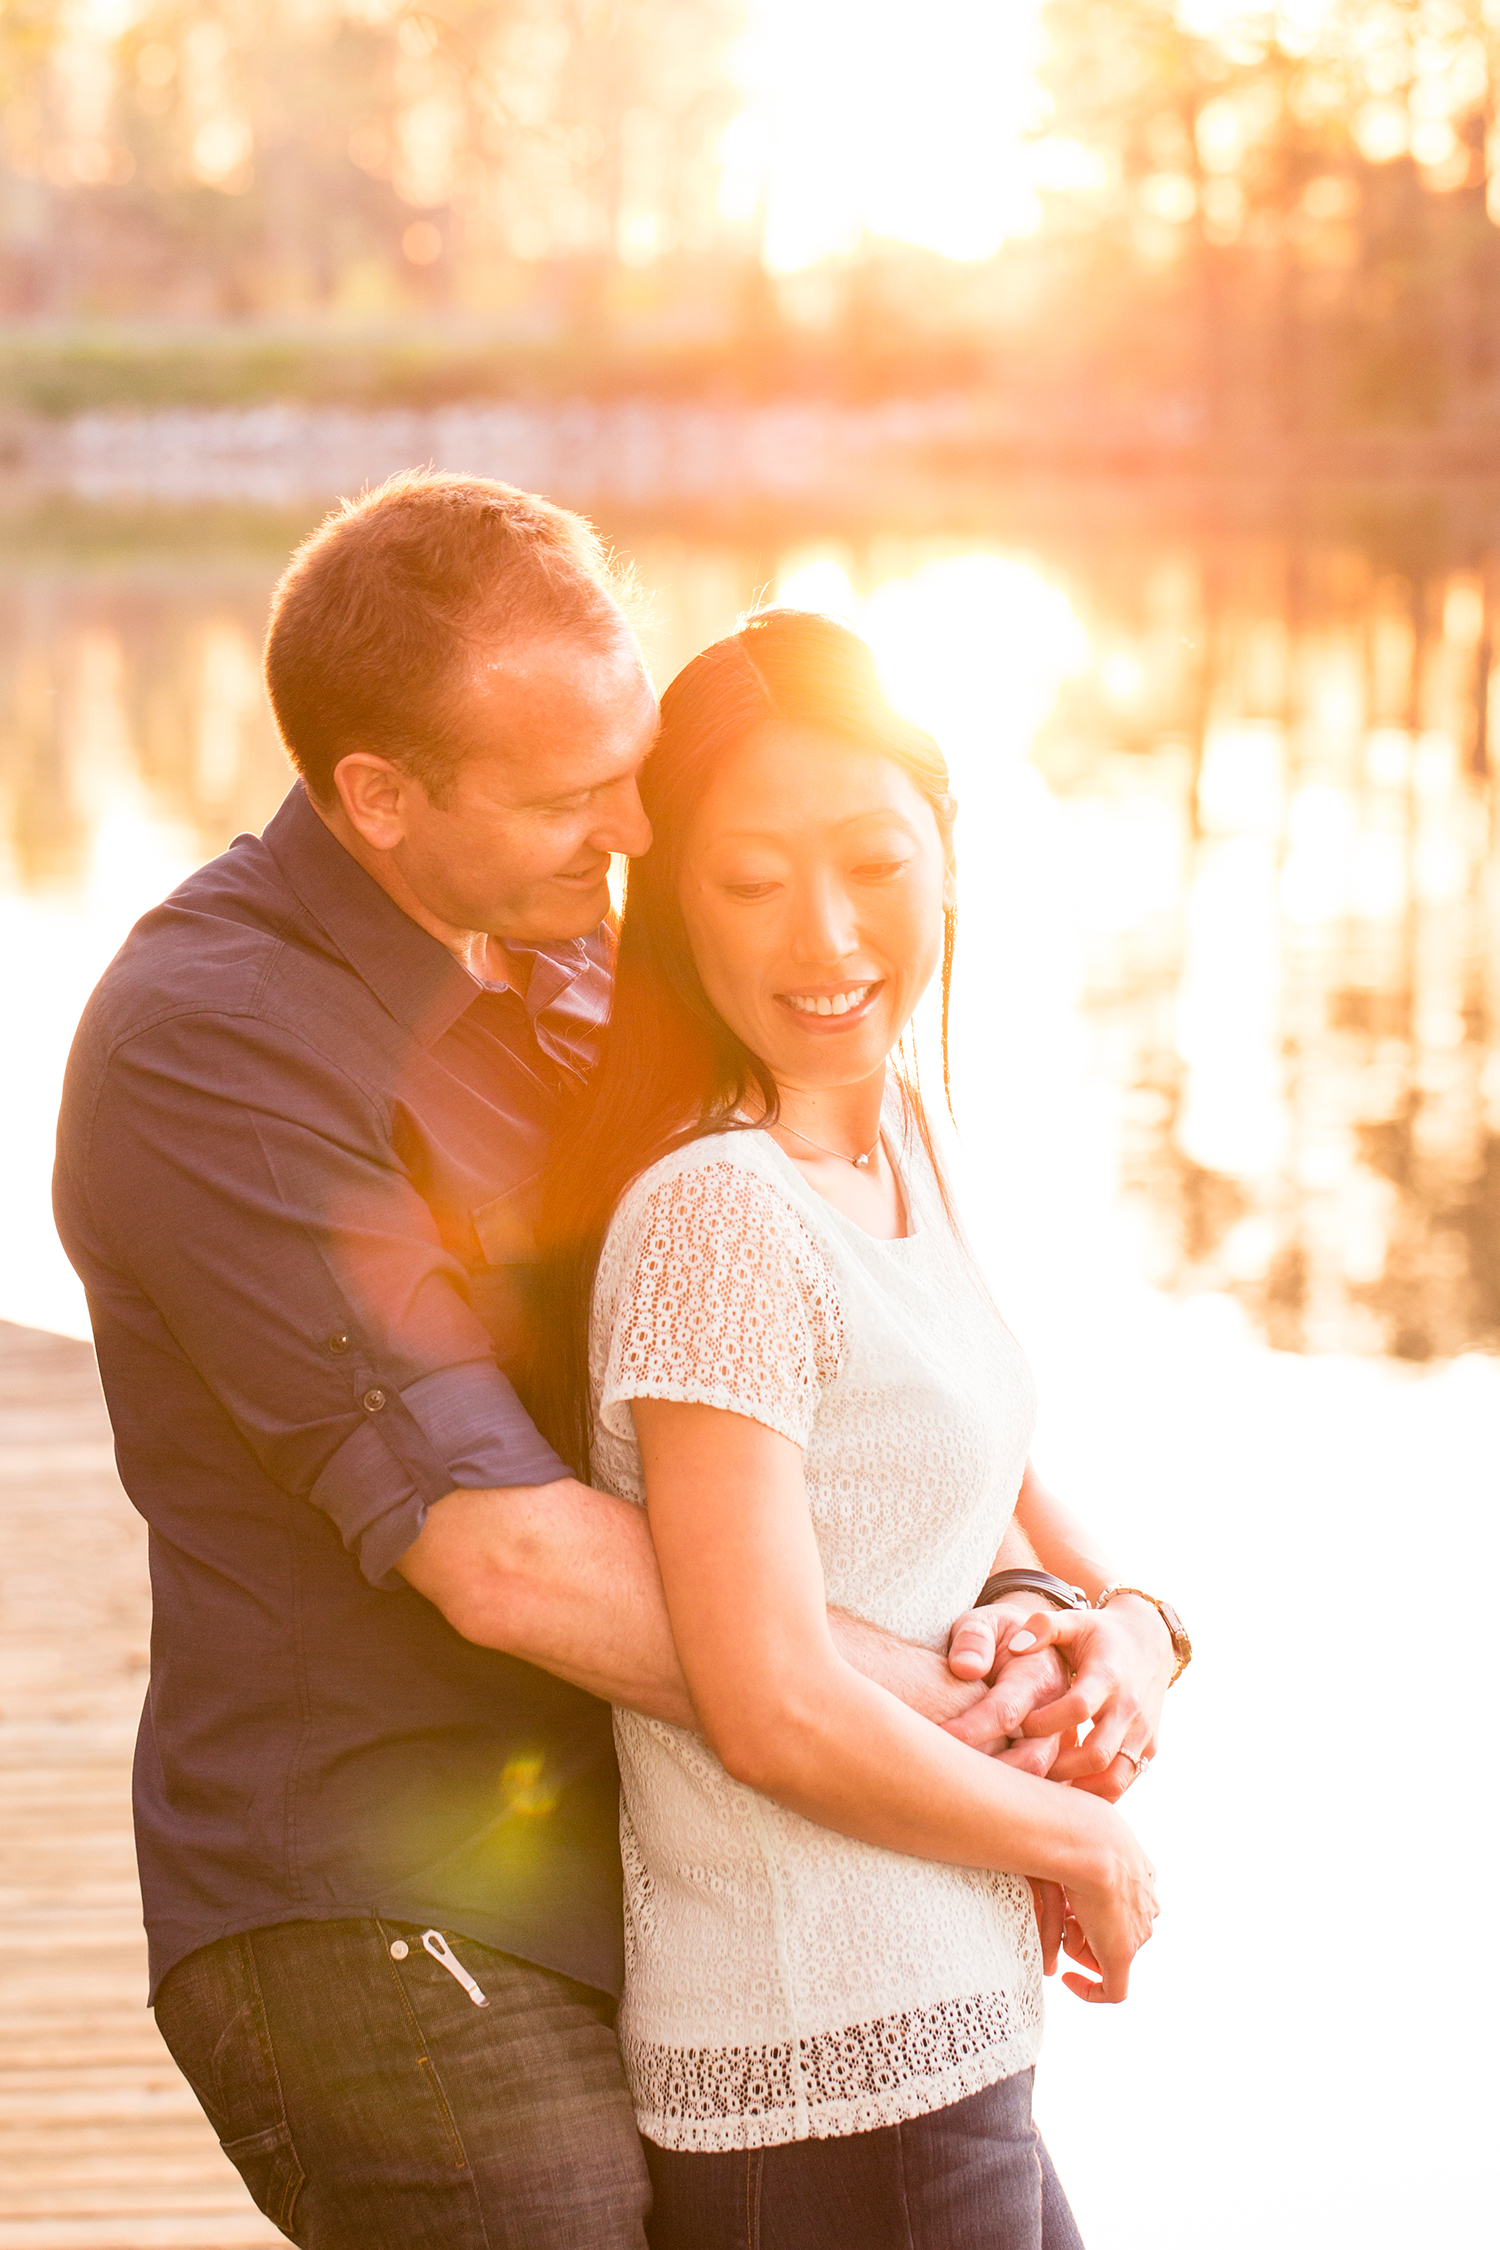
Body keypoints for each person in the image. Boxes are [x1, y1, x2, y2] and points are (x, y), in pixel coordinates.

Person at [52, 473, 1182, 2250]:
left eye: (633, 758)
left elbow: (862, 1355)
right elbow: (498, 1551)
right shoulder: (213, 1050)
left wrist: (1083, 1605)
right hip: (376, 1894)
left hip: (660, 1863)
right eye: (576, 796)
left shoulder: (579, 954)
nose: (638, 821)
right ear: (378, 795)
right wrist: (965, 1720)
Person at [534, 609, 1191, 2250]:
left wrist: (1133, 1622)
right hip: (818, 2080)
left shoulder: (895, 1120)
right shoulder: (715, 1215)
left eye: (872, 863)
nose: (824, 937)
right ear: (672, 901)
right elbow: (765, 1702)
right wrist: (1079, 1835)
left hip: (954, 2041)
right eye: (752, 882)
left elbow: (997, 1464)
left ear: (947, 847)